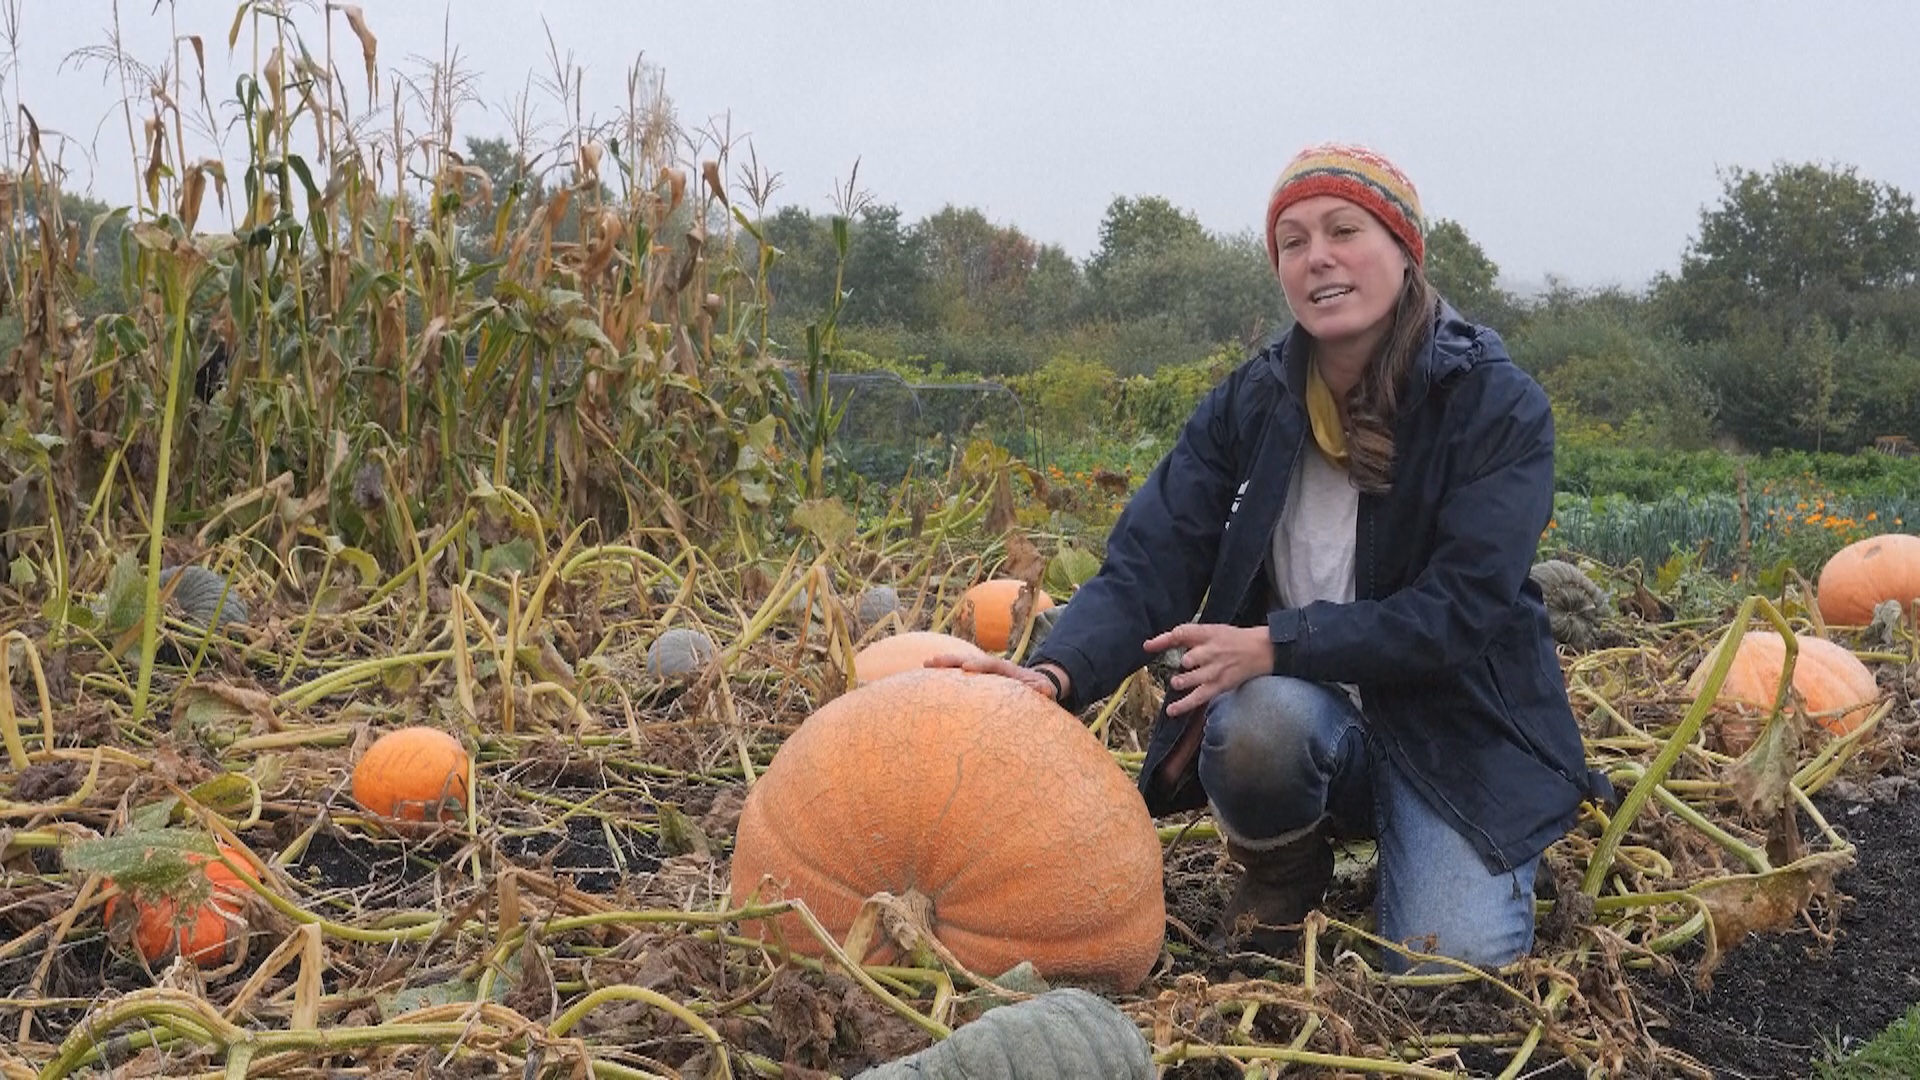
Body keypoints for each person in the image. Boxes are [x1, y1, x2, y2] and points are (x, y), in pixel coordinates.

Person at [936, 143, 1610, 973]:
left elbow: (1459, 611)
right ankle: (1284, 874)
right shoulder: (1252, 403)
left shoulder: (1493, 404)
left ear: (1403, 248)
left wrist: (1274, 644)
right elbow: (1152, 557)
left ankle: (1471, 852)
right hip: (1314, 726)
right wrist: (1056, 676)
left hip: (1459, 738)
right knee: (1258, 716)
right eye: (1293, 242)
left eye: (1343, 230)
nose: (1317, 256)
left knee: (1445, 969)